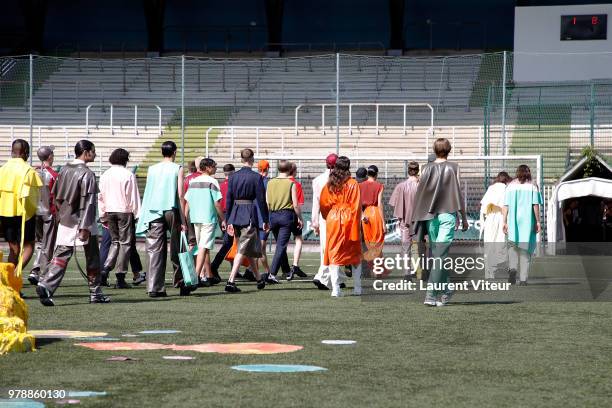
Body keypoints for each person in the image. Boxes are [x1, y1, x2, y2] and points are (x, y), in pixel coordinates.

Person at [37, 140, 110, 306]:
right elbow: (88, 202)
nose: (95, 154)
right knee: (92, 257)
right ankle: (95, 292)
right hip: (84, 221)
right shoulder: (87, 174)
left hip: (65, 218)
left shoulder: (64, 169)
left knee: (61, 254)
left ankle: (46, 284)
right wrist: (84, 226)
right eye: (93, 151)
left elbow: (56, 196)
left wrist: (61, 215)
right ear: (85, 152)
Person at [412, 138, 468, 307]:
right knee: (439, 256)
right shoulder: (454, 167)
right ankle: (437, 293)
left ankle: (440, 292)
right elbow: (457, 193)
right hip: (447, 215)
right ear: (449, 150)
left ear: (434, 150)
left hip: (430, 216)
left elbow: (422, 194)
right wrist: (463, 217)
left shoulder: (425, 168)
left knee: (438, 255)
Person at [136, 141, 189, 297]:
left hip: (153, 210)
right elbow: (180, 194)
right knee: (178, 248)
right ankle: (181, 283)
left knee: (154, 250)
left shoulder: (152, 169)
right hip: (172, 209)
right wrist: (183, 219)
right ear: (174, 152)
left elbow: (149, 191)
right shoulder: (178, 168)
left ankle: (154, 287)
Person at [224, 148, 269, 293]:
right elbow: (261, 201)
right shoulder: (256, 178)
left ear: (241, 159)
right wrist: (266, 219)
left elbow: (229, 200)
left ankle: (258, 279)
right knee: (243, 248)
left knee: (245, 248)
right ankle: (231, 281)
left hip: (236, 213)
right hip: (248, 213)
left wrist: (228, 219)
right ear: (252, 159)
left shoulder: (233, 177)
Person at [98, 148, 142, 289]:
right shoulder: (128, 174)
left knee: (114, 242)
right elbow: (133, 196)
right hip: (124, 211)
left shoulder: (105, 174)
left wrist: (102, 213)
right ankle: (120, 276)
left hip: (110, 211)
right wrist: (137, 214)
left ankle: (105, 268)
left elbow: (101, 196)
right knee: (126, 244)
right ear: (125, 160)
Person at [319, 156, 363, 297]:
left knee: (334, 252)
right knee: (355, 254)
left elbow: (324, 205)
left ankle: (336, 289)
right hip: (348, 217)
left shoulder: (330, 183)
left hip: (333, 218)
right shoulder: (352, 183)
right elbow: (356, 207)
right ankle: (357, 287)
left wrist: (330, 217)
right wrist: (356, 226)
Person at [0, 139, 42, 275]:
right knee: (29, 247)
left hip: (5, 213)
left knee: (14, 249)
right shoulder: (28, 171)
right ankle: (13, 278)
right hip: (24, 214)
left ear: (12, 151)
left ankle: (7, 281)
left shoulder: (2, 169)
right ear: (25, 153)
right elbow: (33, 198)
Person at [185, 158, 225, 287]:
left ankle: (208, 276)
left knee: (202, 247)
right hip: (208, 218)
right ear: (207, 167)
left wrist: (185, 219)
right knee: (203, 247)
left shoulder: (193, 181)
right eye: (214, 166)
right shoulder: (212, 181)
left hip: (195, 218)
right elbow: (217, 203)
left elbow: (188, 202)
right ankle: (196, 277)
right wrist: (223, 219)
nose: (216, 168)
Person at [503, 165, 542, 285]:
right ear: (528, 173)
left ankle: (513, 268)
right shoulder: (533, 186)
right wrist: (538, 221)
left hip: (513, 221)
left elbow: (506, 205)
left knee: (513, 247)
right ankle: (523, 279)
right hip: (527, 221)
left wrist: (504, 221)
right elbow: (535, 205)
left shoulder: (510, 186)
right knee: (525, 250)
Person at [266, 161, 304, 280]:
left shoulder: (270, 182)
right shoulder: (290, 183)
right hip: (286, 215)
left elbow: (267, 202)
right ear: (289, 170)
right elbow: (296, 204)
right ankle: (272, 273)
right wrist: (300, 218)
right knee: (281, 246)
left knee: (279, 245)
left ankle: (285, 270)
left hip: (273, 215)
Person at [311, 153, 341, 290]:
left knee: (325, 247)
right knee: (335, 248)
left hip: (324, 217)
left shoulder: (317, 180)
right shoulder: (340, 180)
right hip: (337, 216)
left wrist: (314, 221)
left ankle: (337, 277)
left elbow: (315, 203)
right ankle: (322, 276)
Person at [29, 145, 58, 285]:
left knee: (40, 243)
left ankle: (35, 270)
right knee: (48, 244)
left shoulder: (33, 172)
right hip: (49, 212)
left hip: (35, 211)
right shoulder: (53, 174)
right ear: (50, 156)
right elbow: (56, 196)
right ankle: (43, 273)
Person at [389, 161, 420, 280]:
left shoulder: (401, 186)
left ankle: (407, 273)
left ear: (408, 171)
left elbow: (393, 203)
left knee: (406, 247)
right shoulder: (421, 185)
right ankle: (419, 271)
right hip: (419, 221)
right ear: (417, 171)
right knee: (420, 247)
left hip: (405, 221)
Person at [479, 171, 511, 279]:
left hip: (490, 219)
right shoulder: (507, 189)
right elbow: (506, 207)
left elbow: (483, 207)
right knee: (502, 245)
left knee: (489, 246)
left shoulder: (491, 188)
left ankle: (489, 273)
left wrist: (483, 222)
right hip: (502, 218)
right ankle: (504, 267)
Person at [210, 163, 237, 280]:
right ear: (233, 172)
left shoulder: (220, 186)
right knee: (229, 243)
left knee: (231, 243)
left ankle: (233, 268)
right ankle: (214, 265)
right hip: (231, 214)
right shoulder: (233, 185)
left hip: (222, 215)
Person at [359, 165, 387, 276]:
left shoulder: (360, 186)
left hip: (365, 214)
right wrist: (383, 222)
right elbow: (379, 204)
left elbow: (357, 203)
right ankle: (378, 269)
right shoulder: (379, 186)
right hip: (375, 214)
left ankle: (368, 270)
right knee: (377, 243)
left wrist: (362, 215)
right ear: (376, 174)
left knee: (368, 244)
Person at [286, 162, 308, 280]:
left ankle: (283, 267)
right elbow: (298, 204)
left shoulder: (279, 182)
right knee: (298, 239)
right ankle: (295, 265)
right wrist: (300, 217)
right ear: (293, 171)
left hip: (279, 214)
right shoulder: (296, 184)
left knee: (281, 242)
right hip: (292, 215)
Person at [254, 159, 271, 283]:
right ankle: (267, 273)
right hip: (263, 218)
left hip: (253, 217)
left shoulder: (254, 180)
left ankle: (255, 271)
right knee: (261, 249)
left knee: (256, 248)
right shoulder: (267, 183)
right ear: (268, 169)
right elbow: (267, 202)